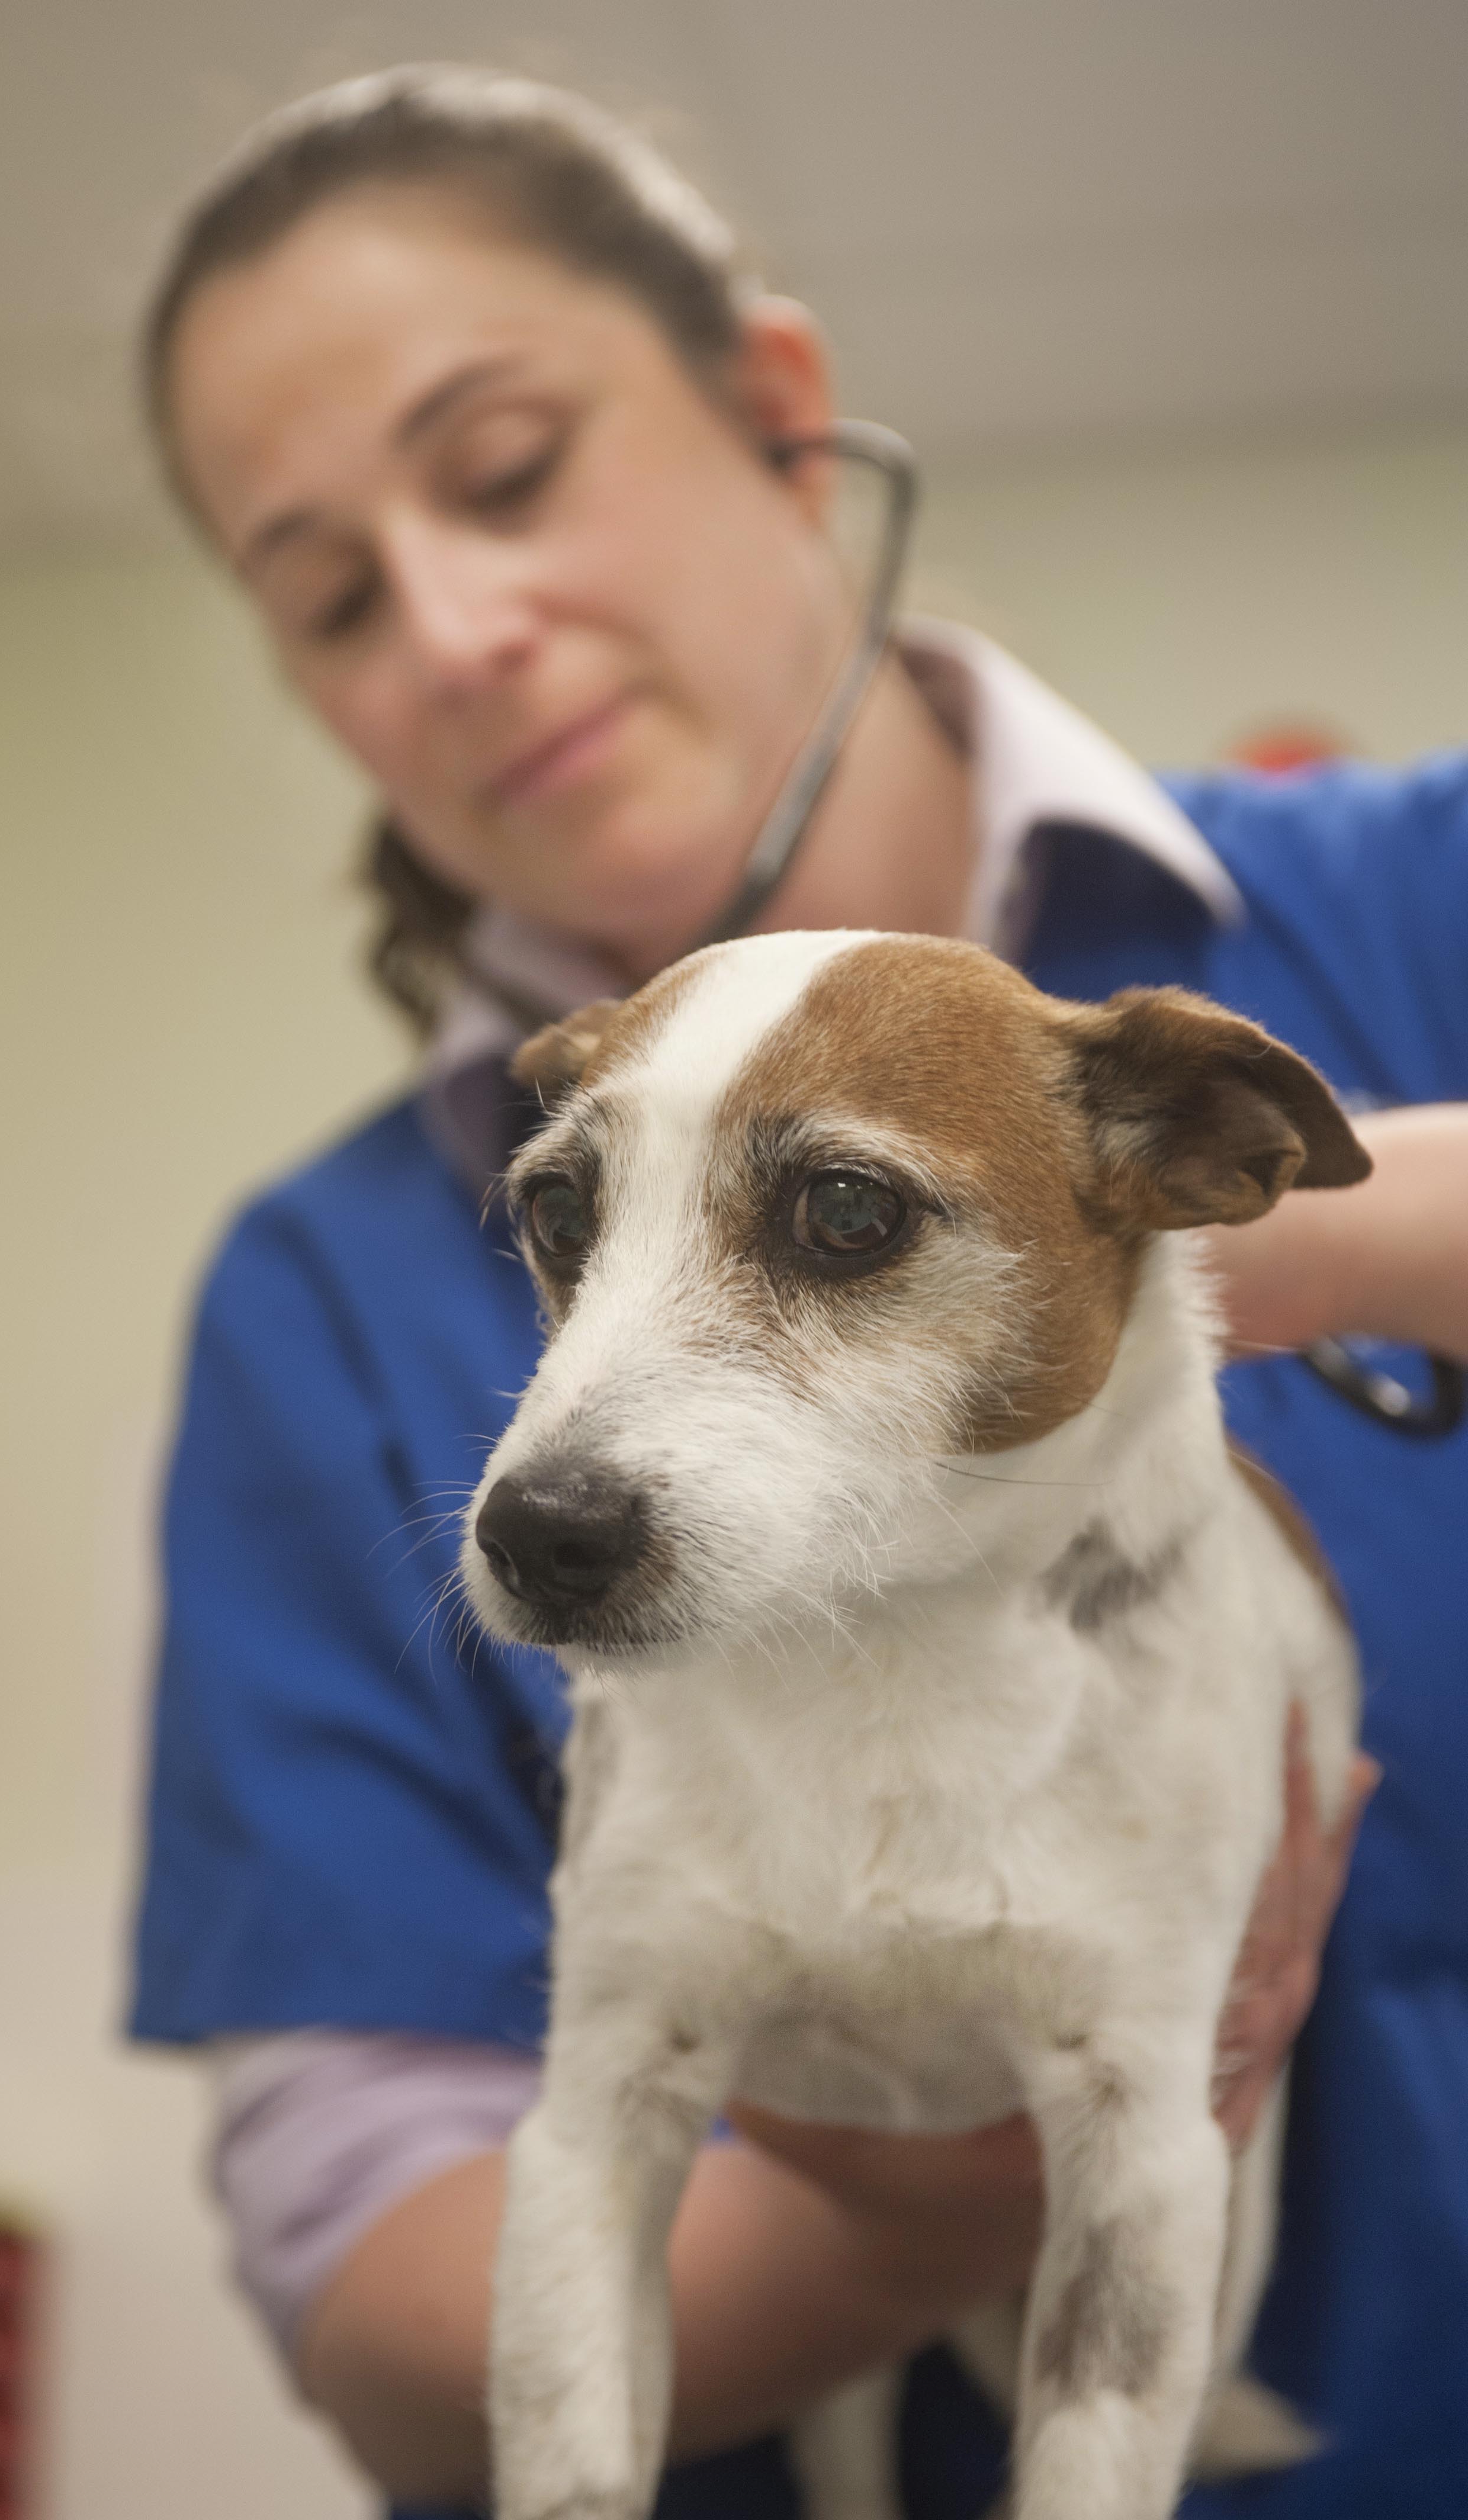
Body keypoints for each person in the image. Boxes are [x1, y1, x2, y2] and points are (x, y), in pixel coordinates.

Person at [128, 66, 1468, 2520]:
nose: (450, 626)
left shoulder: (1417, 904)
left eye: (507, 463)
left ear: (776, 416)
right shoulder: (318, 1298)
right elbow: (362, 2254)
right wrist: (896, 2192)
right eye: (326, 591)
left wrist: (1315, 1218)